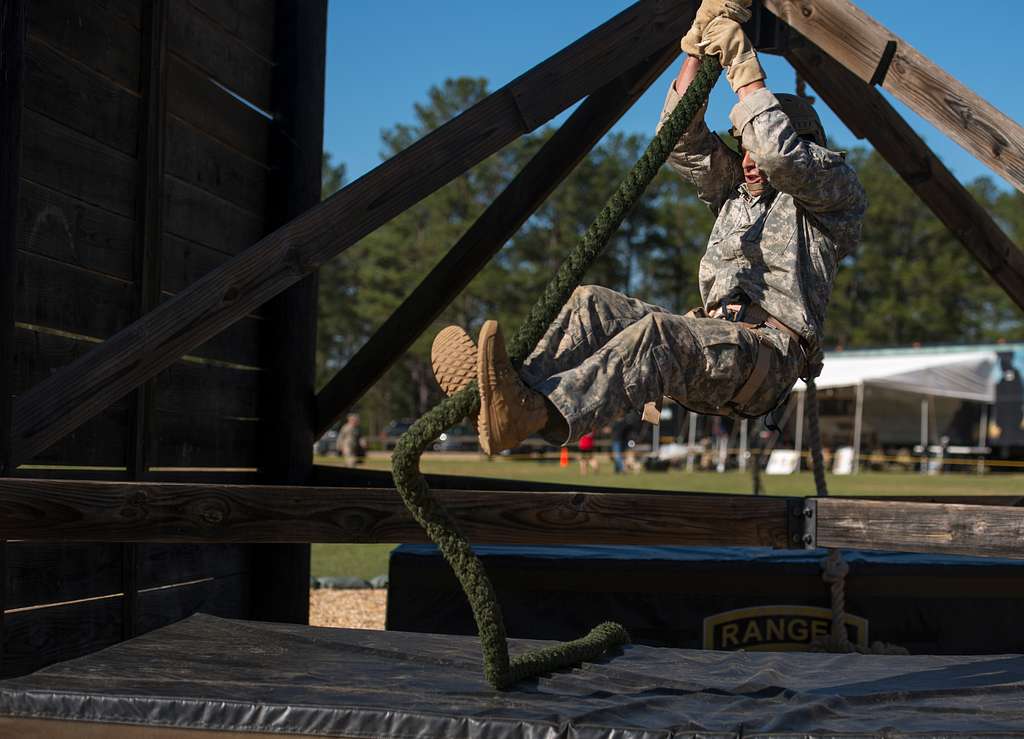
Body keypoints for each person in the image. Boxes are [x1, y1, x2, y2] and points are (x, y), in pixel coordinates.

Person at [430, 0, 866, 456]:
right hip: (714, 342)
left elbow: (782, 156)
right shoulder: (738, 193)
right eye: (743, 147)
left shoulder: (831, 201)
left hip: (764, 359)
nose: (749, 159)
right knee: (590, 305)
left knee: (657, 333)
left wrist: (742, 64)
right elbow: (679, 139)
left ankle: (534, 412)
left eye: (754, 143)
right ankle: (508, 397)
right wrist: (697, 44)